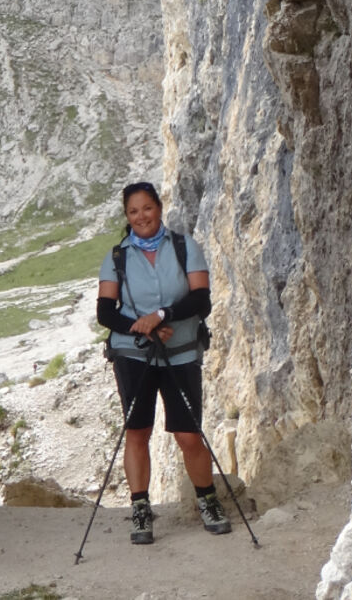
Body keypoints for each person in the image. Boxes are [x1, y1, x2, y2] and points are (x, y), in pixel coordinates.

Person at [95, 181, 231, 544]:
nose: (141, 216)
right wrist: (145, 329)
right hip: (133, 353)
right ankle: (140, 508)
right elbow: (106, 313)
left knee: (188, 433)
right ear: (127, 216)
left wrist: (161, 316)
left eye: (147, 208)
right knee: (138, 430)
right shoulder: (117, 257)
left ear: (159, 207)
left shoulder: (185, 247)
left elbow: (201, 301)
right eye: (133, 211)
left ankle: (208, 501)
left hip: (182, 350)